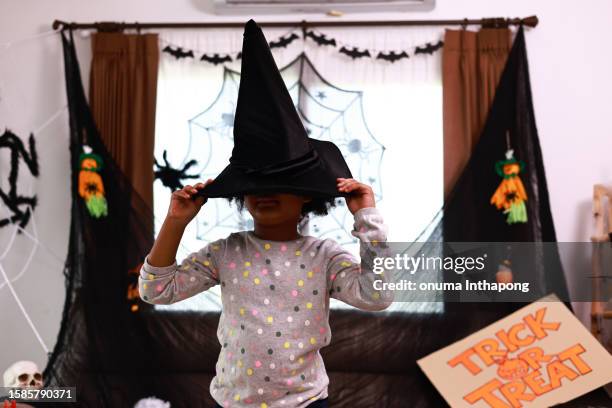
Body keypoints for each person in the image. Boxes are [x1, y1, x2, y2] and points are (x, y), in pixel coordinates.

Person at [139, 20, 393, 408]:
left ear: (307, 196)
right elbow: (156, 290)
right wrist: (176, 222)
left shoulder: (324, 256)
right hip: (234, 402)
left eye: (279, 185)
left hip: (307, 403)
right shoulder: (225, 253)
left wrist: (368, 217)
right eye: (254, 186)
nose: (264, 194)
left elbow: (377, 295)